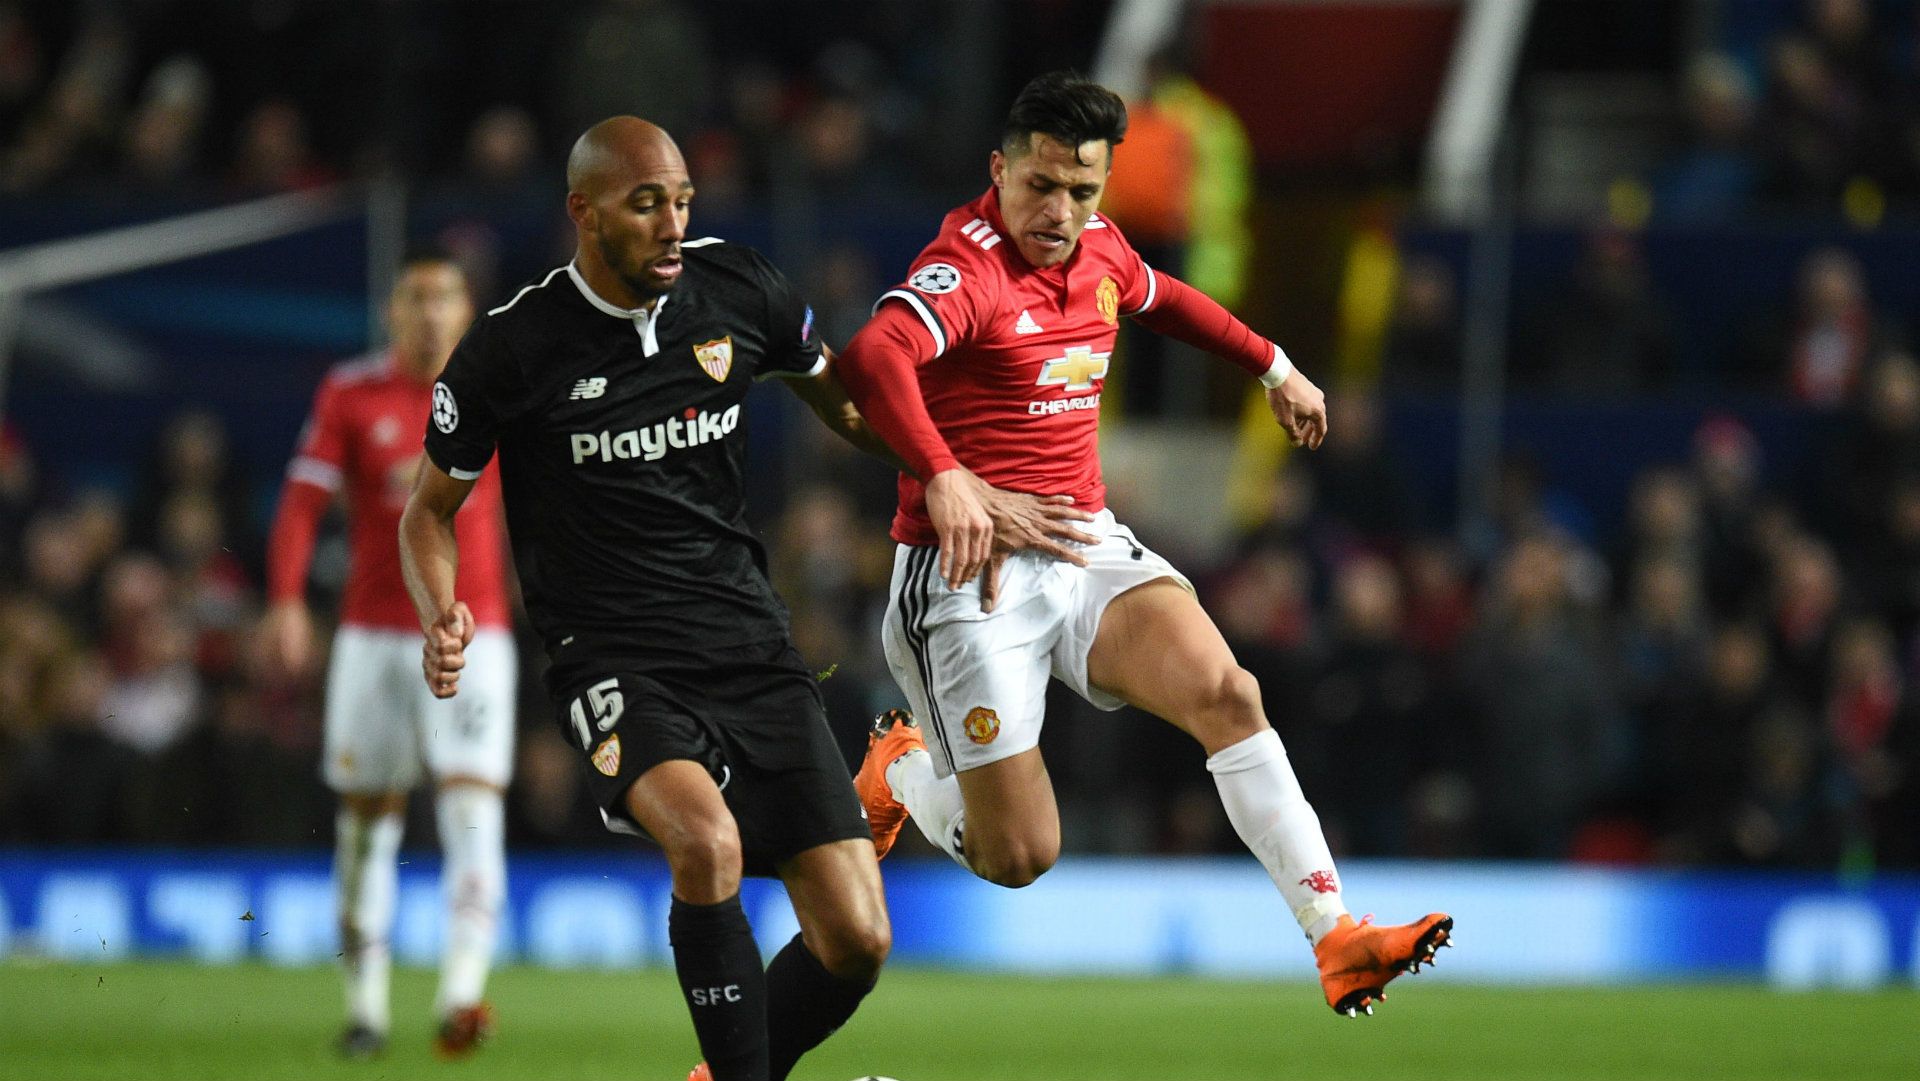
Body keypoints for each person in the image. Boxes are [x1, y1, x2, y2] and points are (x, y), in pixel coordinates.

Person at [399, 116, 1087, 1081]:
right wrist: (442, 608)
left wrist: (950, 474)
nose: (673, 224)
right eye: (647, 205)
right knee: (706, 842)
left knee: (857, 936)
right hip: (615, 660)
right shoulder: (513, 348)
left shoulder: (740, 290)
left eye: (682, 201)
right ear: (583, 214)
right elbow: (428, 512)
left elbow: (846, 402)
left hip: (750, 647)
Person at [834, 71, 1453, 1018]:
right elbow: (875, 356)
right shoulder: (968, 269)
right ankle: (903, 769)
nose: (1060, 211)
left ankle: (1336, 938)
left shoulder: (1101, 250)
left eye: (1083, 191)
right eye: (1041, 185)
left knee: (1228, 690)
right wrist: (949, 475)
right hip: (969, 580)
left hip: (1083, 545)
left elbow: (1164, 299)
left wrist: (1273, 365)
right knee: (1020, 855)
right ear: (999, 171)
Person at [261, 249, 513, 1059]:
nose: (432, 313)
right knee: (368, 826)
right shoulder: (351, 391)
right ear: (392, 312)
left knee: (473, 809)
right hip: (372, 636)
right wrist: (288, 601)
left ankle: (461, 998)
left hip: (477, 631)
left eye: (446, 297)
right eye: (416, 298)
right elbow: (301, 504)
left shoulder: (500, 385)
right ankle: (366, 1009)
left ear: (467, 311)